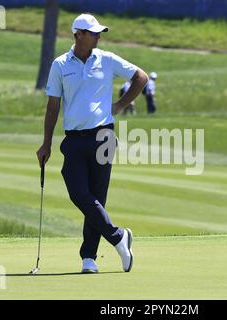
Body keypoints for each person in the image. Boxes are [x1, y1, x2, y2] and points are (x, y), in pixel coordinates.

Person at [36, 13, 148, 274]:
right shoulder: (60, 65)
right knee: (79, 193)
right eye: (94, 33)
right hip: (74, 139)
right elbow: (53, 107)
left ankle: (89, 257)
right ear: (78, 35)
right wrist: (46, 144)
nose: (99, 36)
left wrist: (120, 105)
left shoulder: (106, 59)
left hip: (103, 136)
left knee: (96, 197)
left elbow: (140, 77)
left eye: (99, 33)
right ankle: (119, 237)